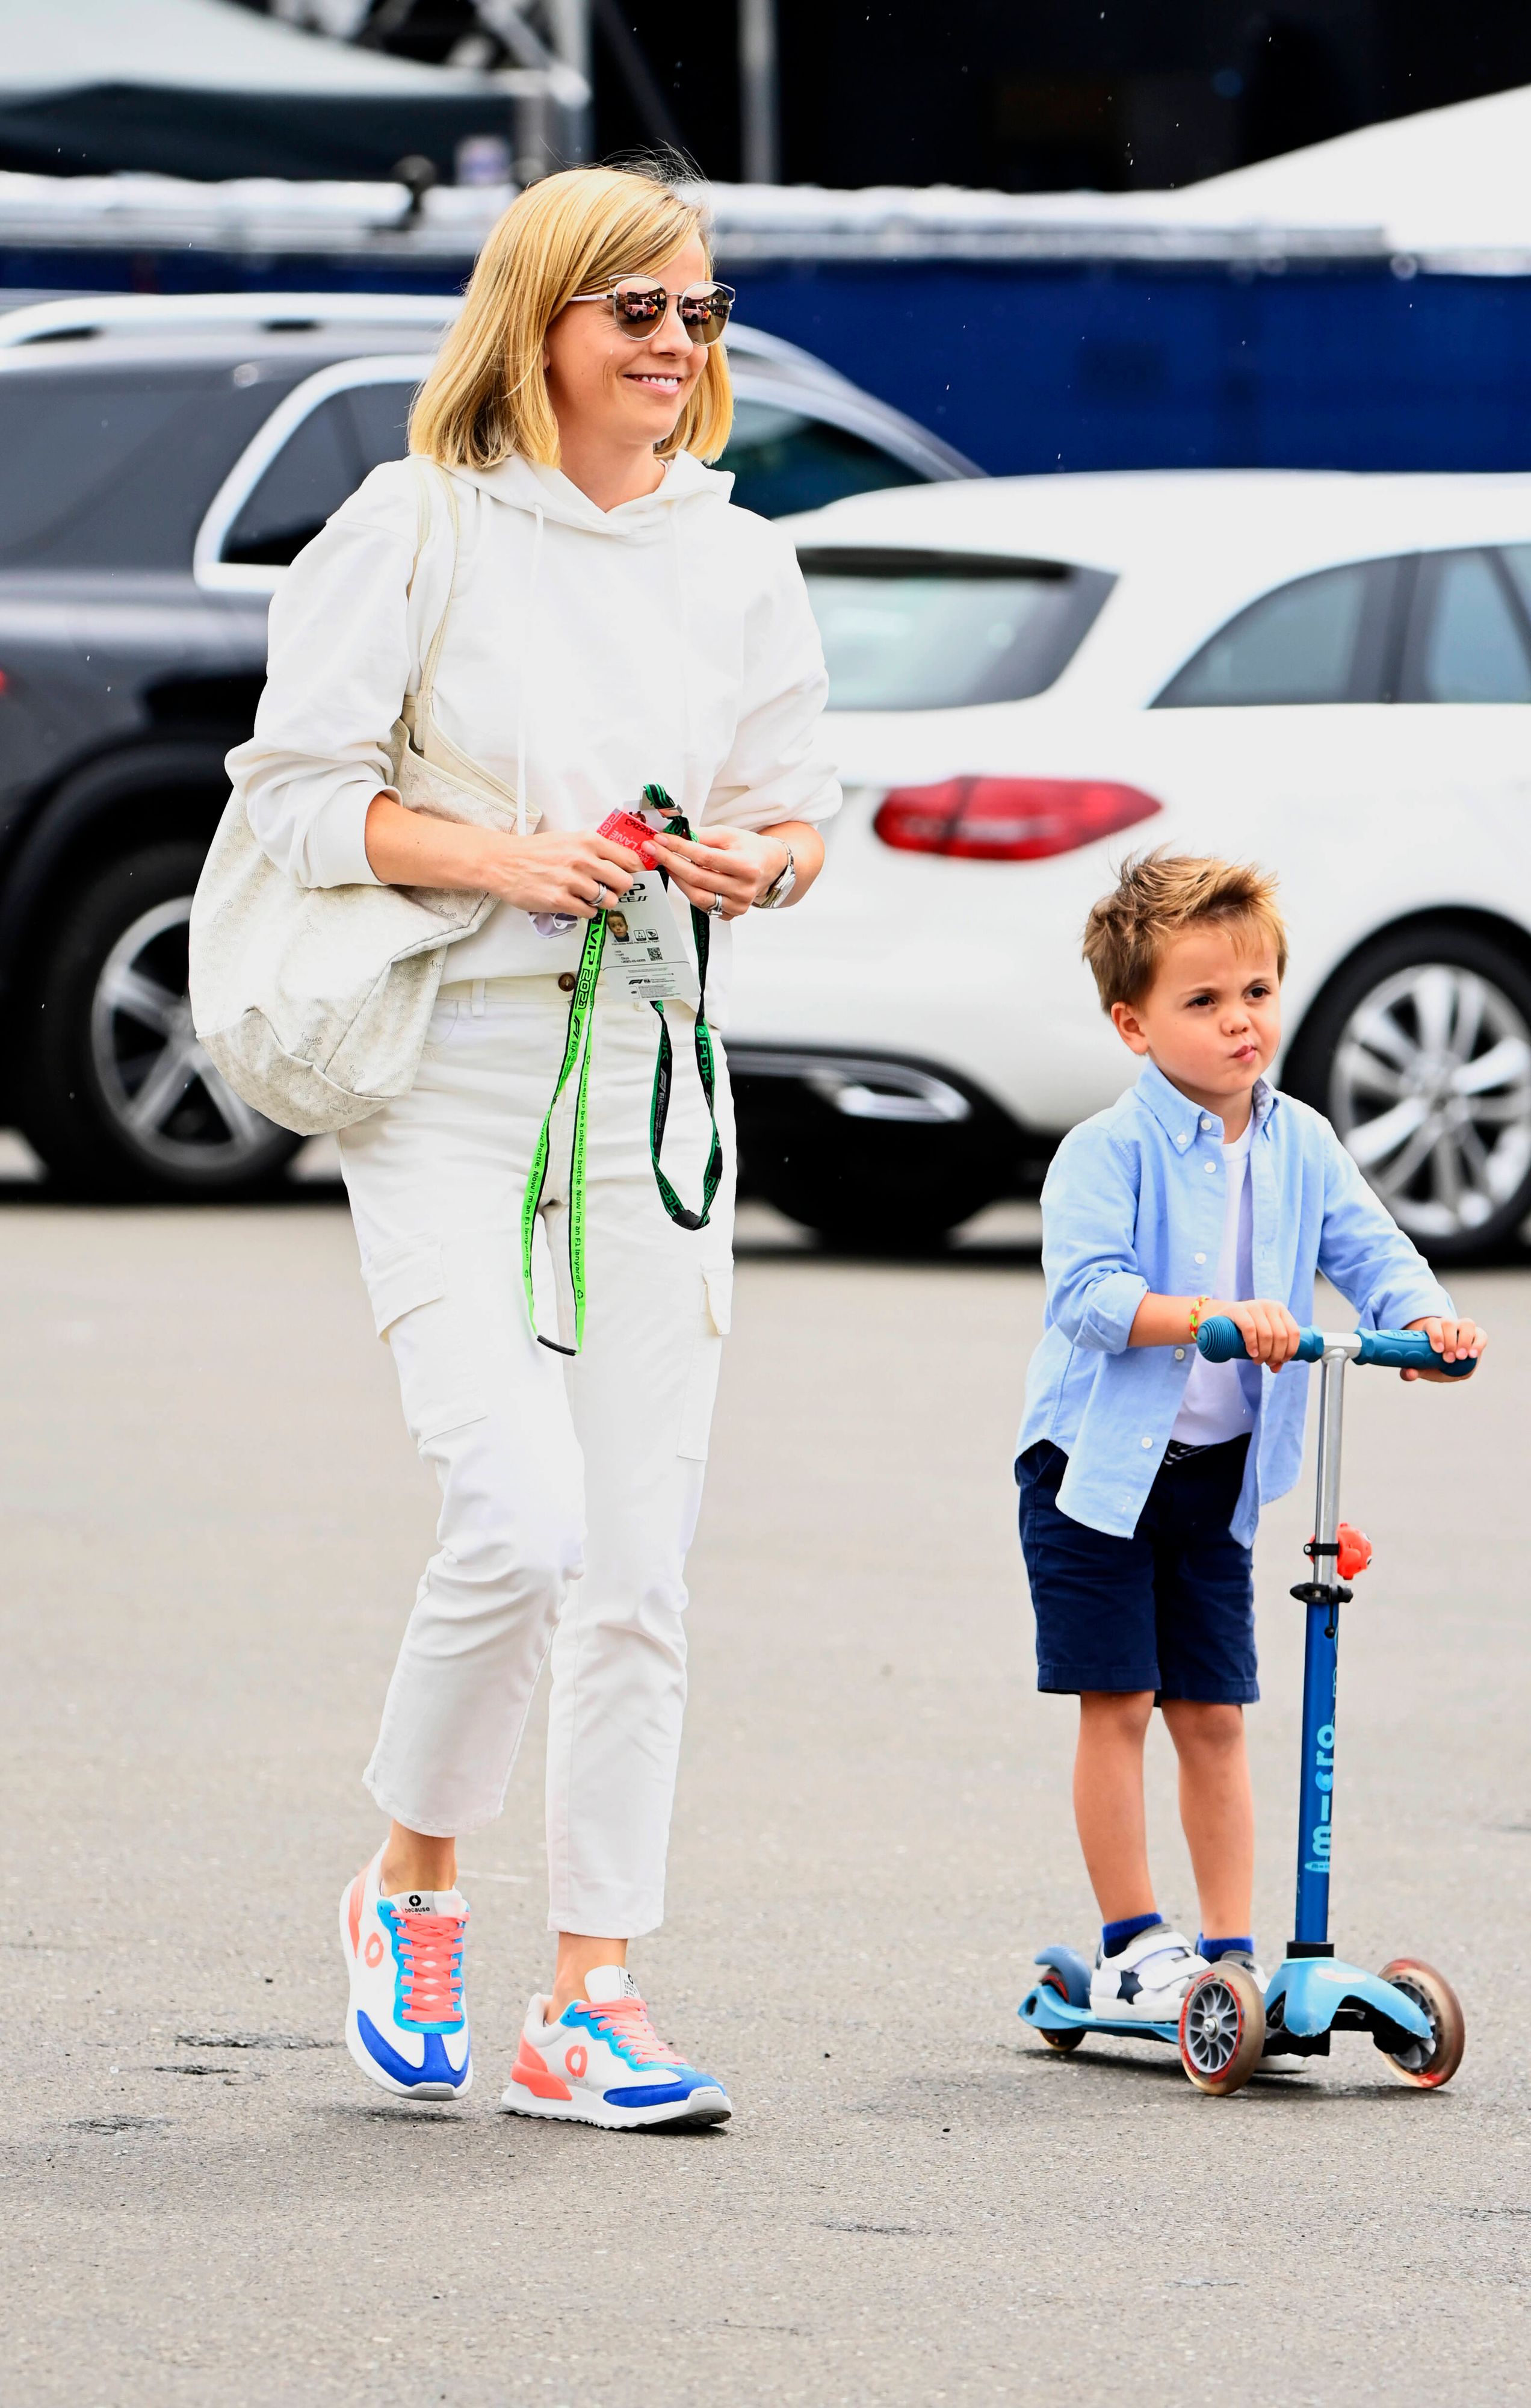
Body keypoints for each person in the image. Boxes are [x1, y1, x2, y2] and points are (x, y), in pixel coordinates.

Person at [226, 163, 837, 2129]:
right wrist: (506, 858)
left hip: (655, 1066)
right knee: (518, 1513)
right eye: (634, 309)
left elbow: (797, 807)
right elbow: (298, 799)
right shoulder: (415, 524)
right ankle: (410, 1880)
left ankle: (590, 1997)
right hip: (454, 1057)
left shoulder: (738, 558)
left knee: (638, 1561)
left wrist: (760, 863)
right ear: (540, 317)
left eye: (698, 312)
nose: (674, 343)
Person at [1014, 852, 1485, 2019]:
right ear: (1133, 1025)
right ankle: (1132, 1941)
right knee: (1119, 1699)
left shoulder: (1301, 1142)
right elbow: (1087, 1295)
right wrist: (1209, 1318)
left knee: (1213, 1713)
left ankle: (1230, 1955)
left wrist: (1424, 1319)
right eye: (1203, 1000)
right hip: (1093, 1476)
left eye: (1257, 992)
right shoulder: (1106, 1149)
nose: (1240, 1021)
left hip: (1215, 1479)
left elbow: (1368, 1248)